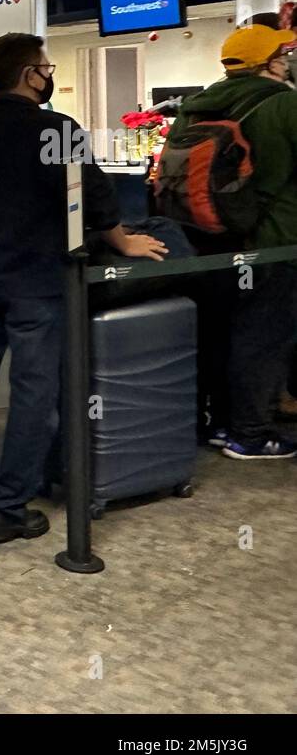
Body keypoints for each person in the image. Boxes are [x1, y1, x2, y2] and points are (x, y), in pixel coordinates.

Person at [0, 32, 168, 540]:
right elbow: (95, 198)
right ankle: (8, 507)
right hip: (35, 285)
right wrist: (124, 241)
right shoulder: (59, 128)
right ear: (29, 73)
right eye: (46, 68)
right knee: (33, 393)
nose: (50, 77)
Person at [165, 25, 297, 460]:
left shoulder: (196, 106)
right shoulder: (284, 104)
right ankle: (251, 434)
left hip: (207, 239)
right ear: (270, 61)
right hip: (274, 241)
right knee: (263, 337)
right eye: (284, 53)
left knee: (220, 332)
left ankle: (218, 423)